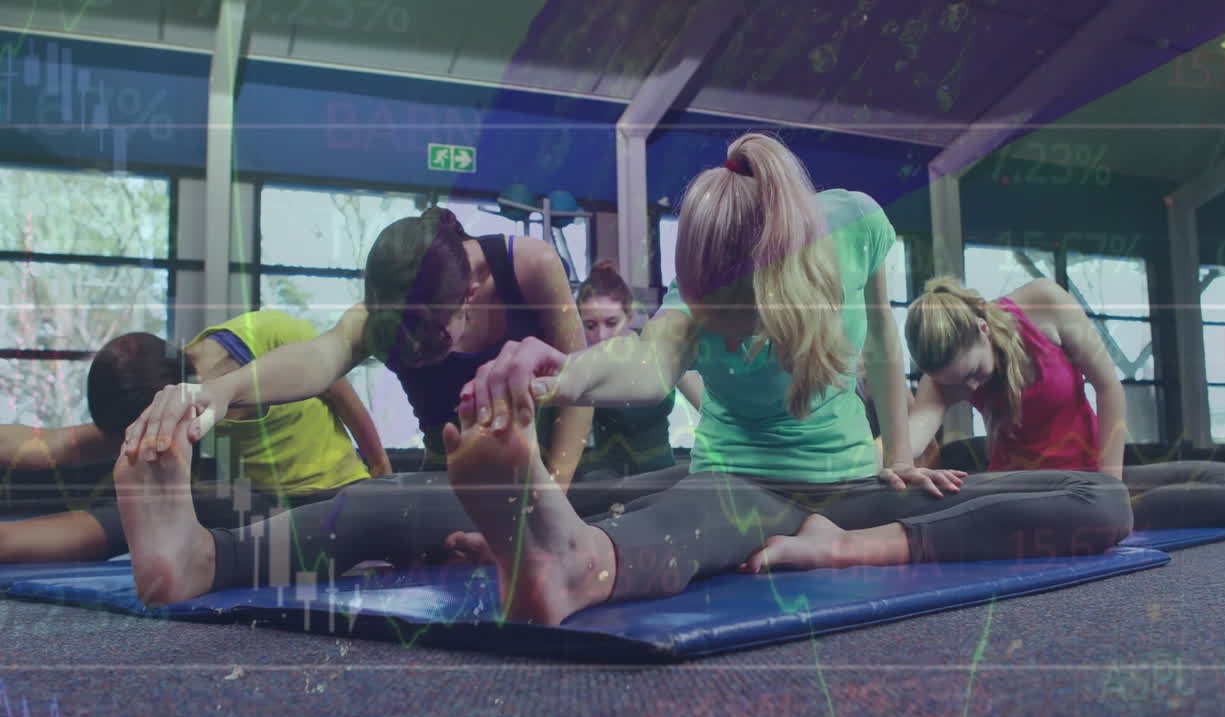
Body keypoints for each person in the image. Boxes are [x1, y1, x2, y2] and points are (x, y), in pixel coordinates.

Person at [435, 132, 1134, 625]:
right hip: (735, 482)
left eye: (736, 319)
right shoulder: (698, 302)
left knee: (1100, 501)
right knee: (690, 514)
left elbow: (886, 339)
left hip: (851, 492)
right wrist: (558, 375)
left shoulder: (856, 225)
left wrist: (898, 456)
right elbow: (645, 366)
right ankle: (566, 556)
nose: (722, 332)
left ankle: (837, 548)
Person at [109, 207, 594, 604]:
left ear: (470, 295)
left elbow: (579, 382)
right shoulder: (387, 309)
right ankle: (205, 559)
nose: (417, 353)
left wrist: (550, 501)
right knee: (378, 502)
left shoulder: (530, 266)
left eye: (430, 338)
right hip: (455, 477)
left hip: (548, 476)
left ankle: (207, 561)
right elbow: (322, 356)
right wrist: (222, 389)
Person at [0, 310, 390, 563]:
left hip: (338, 494)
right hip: (266, 507)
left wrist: (380, 476)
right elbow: (55, 446)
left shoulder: (271, 335)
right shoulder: (162, 389)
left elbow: (344, 398)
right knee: (145, 510)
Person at [899, 277, 1225, 530]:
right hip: (1020, 493)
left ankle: (1093, 520)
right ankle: (1081, 523)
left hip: (1089, 477)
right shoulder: (943, 377)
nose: (971, 387)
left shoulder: (1043, 302)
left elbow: (1108, 388)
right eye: (959, 383)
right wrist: (902, 464)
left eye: (975, 372)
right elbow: (909, 444)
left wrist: (1111, 485)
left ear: (982, 326)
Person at [573, 259, 703, 482]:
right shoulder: (578, 364)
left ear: (629, 316)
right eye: (591, 326)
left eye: (611, 322)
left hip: (660, 479)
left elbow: (706, 403)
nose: (602, 336)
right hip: (602, 483)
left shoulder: (656, 350)